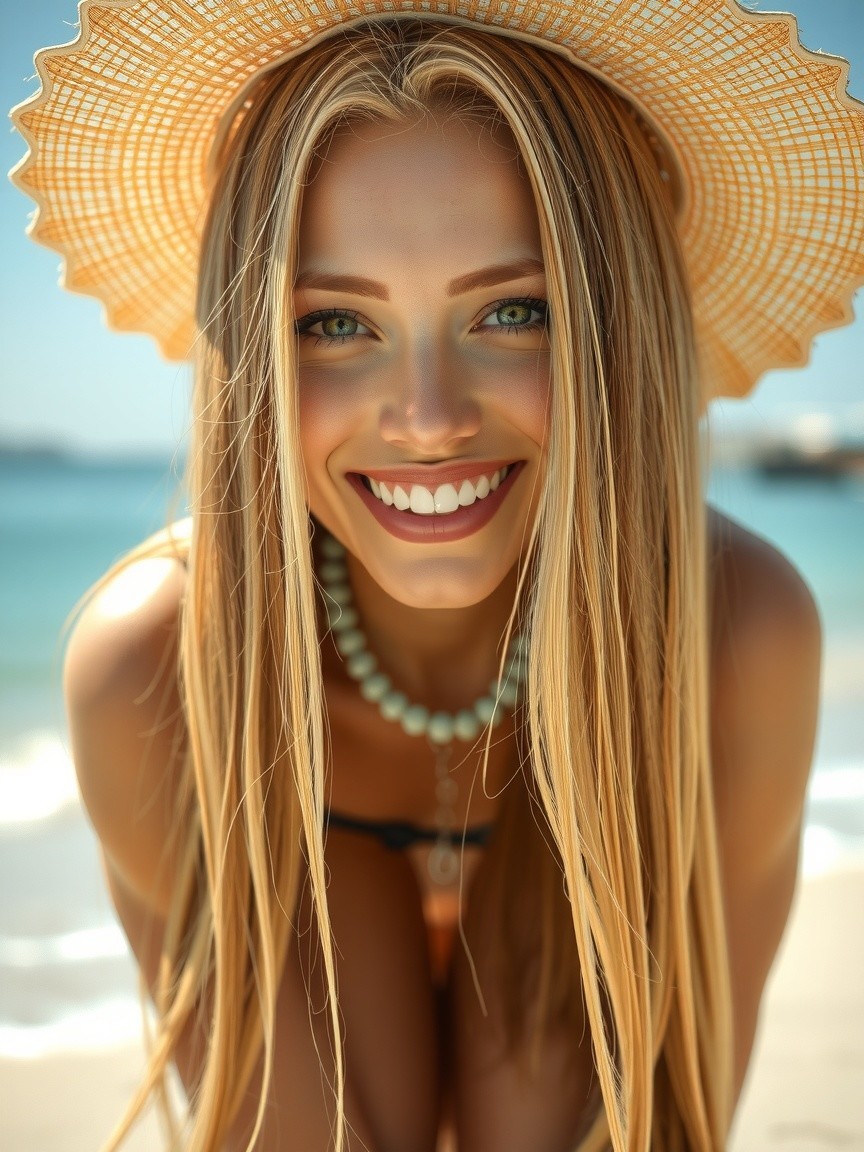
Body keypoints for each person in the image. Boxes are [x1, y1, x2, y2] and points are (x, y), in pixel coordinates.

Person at [10, 3, 863, 1150]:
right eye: (334, 325)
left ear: (621, 326)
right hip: (299, 828)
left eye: (514, 311)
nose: (424, 419)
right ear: (254, 343)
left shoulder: (733, 633)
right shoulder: (154, 667)